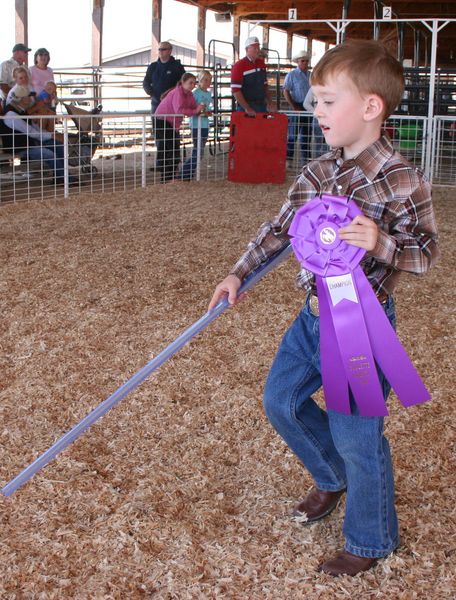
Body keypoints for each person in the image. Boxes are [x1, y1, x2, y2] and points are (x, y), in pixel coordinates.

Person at [207, 40, 438, 577]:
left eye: (328, 101)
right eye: (315, 101)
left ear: (371, 106)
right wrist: (238, 271)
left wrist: (380, 241)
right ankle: (333, 477)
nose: (317, 111)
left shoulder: (404, 179)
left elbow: (425, 254)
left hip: (362, 323)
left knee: (357, 435)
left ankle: (371, 536)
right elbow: (278, 230)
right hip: (312, 316)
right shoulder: (317, 171)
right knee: (280, 401)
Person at [2, 85, 71, 185]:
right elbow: (30, 131)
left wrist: (52, 135)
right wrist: (51, 135)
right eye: (27, 97)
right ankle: (65, 179)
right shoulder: (11, 115)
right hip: (19, 147)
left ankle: (61, 177)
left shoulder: (20, 111)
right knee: (49, 154)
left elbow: (34, 129)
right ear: (21, 99)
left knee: (58, 145)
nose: (31, 99)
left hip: (27, 144)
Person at [153, 72, 204, 183]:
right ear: (183, 82)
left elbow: (192, 107)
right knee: (170, 148)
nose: (192, 85)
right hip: (163, 120)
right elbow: (179, 110)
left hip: (168, 121)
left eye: (194, 83)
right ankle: (168, 178)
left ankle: (169, 177)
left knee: (171, 148)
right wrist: (195, 111)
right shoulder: (178, 93)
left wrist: (200, 110)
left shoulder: (188, 94)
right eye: (190, 83)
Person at [180, 70, 213, 181]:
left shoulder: (208, 94)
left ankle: (187, 174)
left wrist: (207, 112)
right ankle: (184, 174)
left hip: (204, 124)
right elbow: (193, 108)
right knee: (198, 151)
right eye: (205, 80)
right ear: (200, 81)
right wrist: (200, 112)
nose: (208, 82)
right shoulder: (195, 93)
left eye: (209, 80)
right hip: (196, 124)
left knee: (199, 151)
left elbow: (207, 108)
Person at [283, 50, 312, 165]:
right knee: (292, 135)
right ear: (298, 62)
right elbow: (285, 91)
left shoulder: (311, 75)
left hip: (308, 106)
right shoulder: (292, 75)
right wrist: (294, 105)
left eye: (306, 61)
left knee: (307, 135)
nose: (304, 63)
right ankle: (289, 159)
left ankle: (305, 161)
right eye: (302, 61)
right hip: (297, 105)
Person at [230, 36, 273, 114]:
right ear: (247, 49)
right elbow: (235, 90)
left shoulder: (261, 64)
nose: (258, 50)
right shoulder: (239, 66)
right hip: (246, 108)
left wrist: (270, 102)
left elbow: (265, 85)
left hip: (261, 105)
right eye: (255, 48)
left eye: (258, 48)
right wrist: (247, 107)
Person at [143, 41, 185, 114]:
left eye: (163, 49)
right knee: (156, 124)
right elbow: (146, 82)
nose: (160, 51)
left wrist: (172, 93)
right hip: (156, 103)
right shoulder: (153, 66)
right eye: (159, 49)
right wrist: (152, 93)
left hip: (172, 103)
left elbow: (183, 82)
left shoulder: (177, 66)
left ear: (170, 51)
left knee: (171, 124)